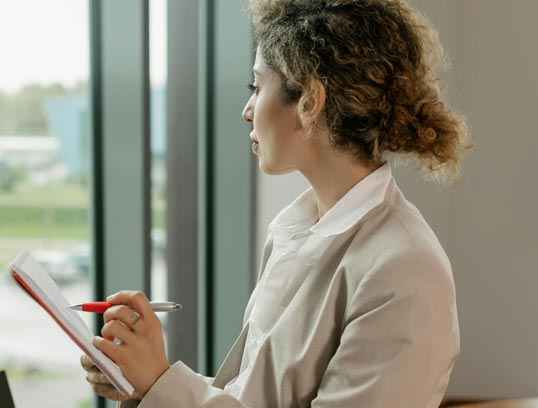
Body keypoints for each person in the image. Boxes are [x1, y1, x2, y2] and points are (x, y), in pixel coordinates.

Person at [81, 0, 471, 406]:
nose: (247, 111)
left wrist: (161, 384)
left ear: (310, 100)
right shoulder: (296, 228)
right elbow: (257, 397)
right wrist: (143, 382)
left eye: (256, 87)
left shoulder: (404, 269)